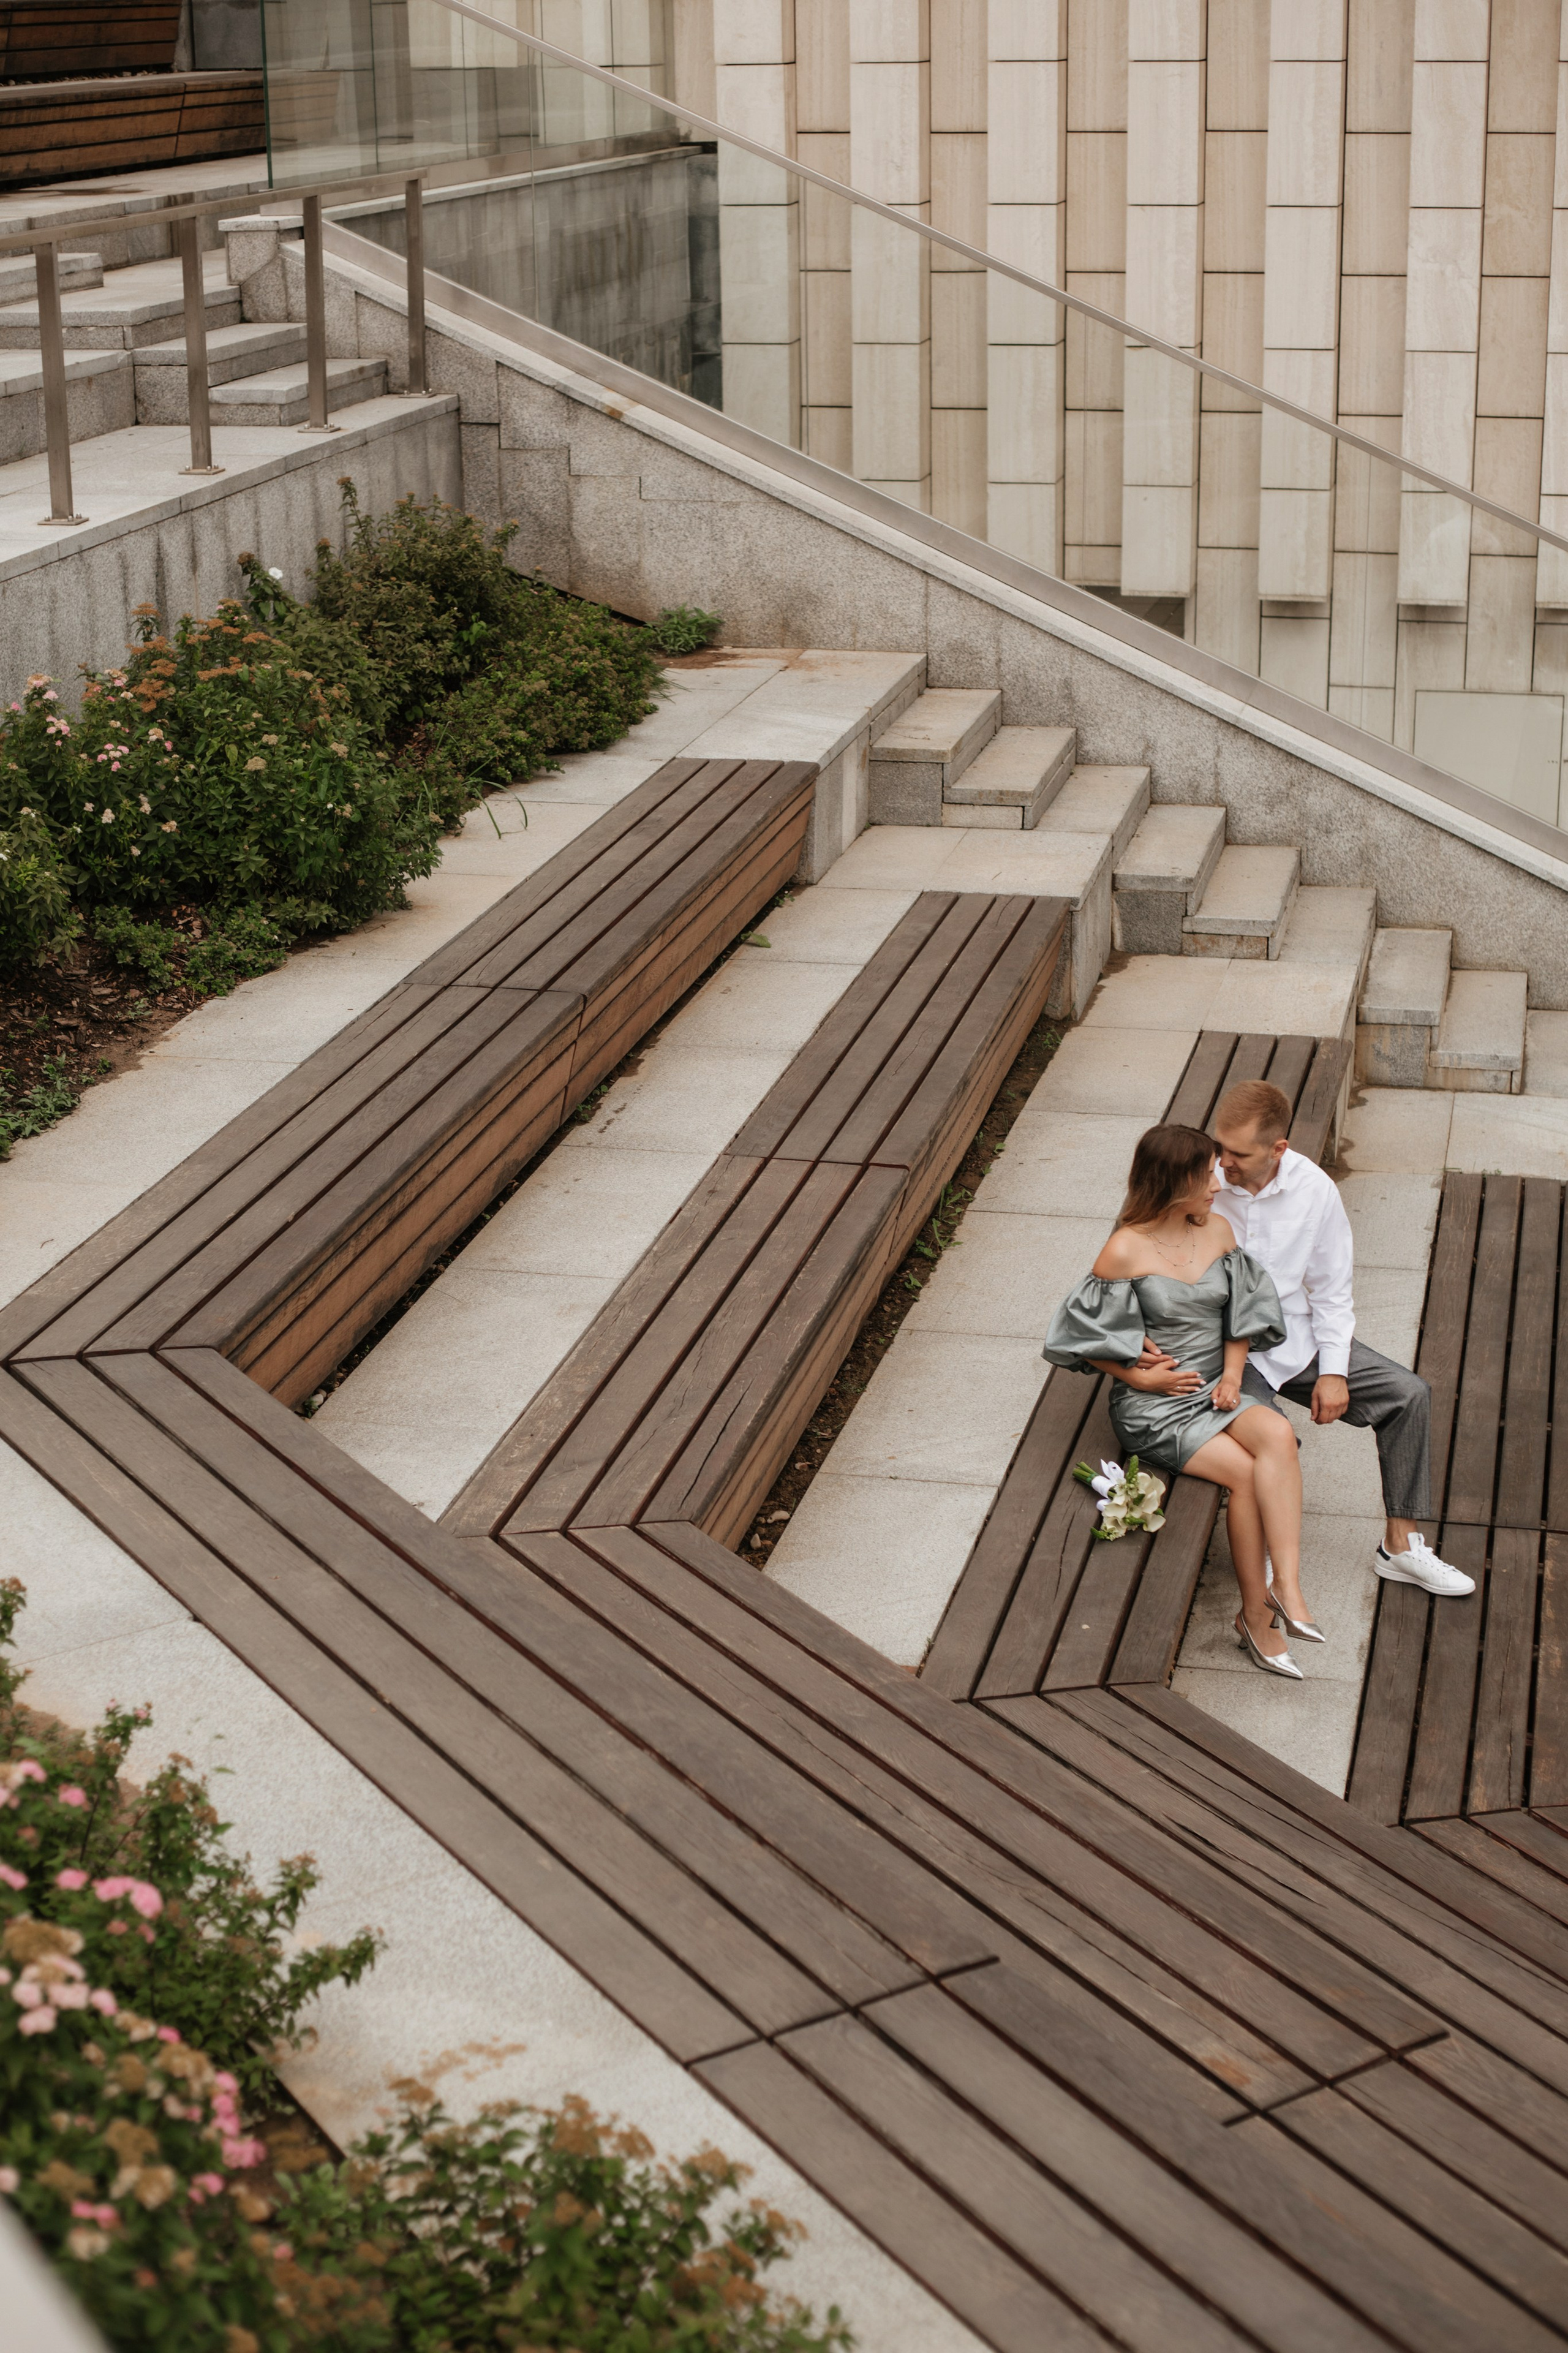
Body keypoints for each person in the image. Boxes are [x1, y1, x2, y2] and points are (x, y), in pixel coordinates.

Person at [1042, 1122, 1316, 1679]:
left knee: (1279, 1437)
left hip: (1219, 1387)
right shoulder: (1124, 1248)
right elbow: (1076, 1337)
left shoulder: (1217, 1231)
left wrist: (1234, 1377)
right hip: (1156, 1407)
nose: (1218, 1185)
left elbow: (1241, 1314)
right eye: (1206, 1175)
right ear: (1174, 1182)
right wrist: (1139, 1380)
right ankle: (1257, 1619)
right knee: (1245, 1474)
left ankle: (1285, 1586)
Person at [1201, 1076, 1473, 1599]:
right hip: (1224, 1349)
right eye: (1221, 1146)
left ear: (1279, 1148)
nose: (1224, 1162)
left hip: (1292, 1338)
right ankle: (1264, 1561)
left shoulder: (1315, 1191)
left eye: (1238, 1152)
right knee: (1274, 1437)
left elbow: (1330, 1290)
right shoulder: (1205, 1181)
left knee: (1408, 1395)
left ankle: (1401, 1544)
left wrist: (1333, 1370)